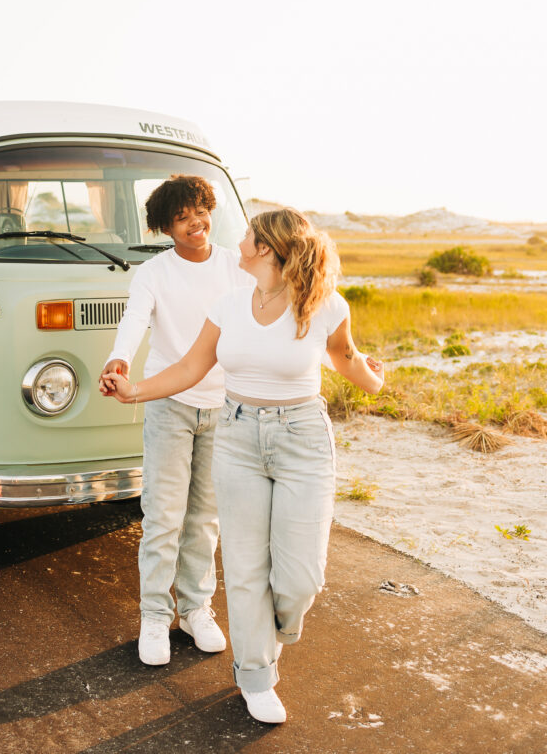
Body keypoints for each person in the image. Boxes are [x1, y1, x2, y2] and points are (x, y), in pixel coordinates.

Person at [102, 207, 383, 724]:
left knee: (300, 578)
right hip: (237, 435)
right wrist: (134, 391)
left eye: (250, 234)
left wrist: (373, 378)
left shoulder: (324, 305)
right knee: (248, 568)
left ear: (269, 250)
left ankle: (274, 632)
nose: (240, 239)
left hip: (302, 439)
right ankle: (255, 676)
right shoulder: (229, 305)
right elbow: (189, 366)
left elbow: (345, 357)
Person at [98, 174, 250, 667]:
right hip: (169, 405)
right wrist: (118, 358)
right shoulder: (154, 273)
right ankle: (154, 616)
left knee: (205, 517)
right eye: (181, 218)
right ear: (166, 227)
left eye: (199, 212)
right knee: (163, 516)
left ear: (211, 210)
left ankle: (197, 609)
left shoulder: (234, 266)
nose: (194, 224)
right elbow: (134, 320)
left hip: (222, 405)